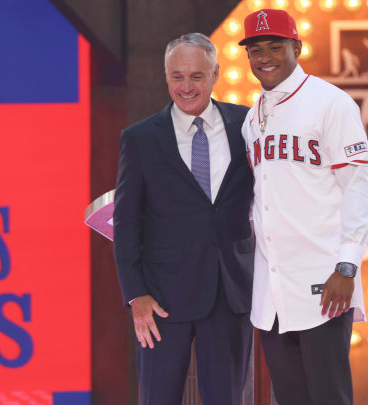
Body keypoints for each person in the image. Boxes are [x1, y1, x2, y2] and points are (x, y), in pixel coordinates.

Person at [239, 9, 368, 405]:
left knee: (329, 396)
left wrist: (347, 267)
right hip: (273, 289)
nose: (264, 56)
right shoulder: (252, 119)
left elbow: (358, 190)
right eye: (255, 49)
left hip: (324, 284)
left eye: (275, 46)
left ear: (296, 46)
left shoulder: (330, 103)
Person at [113, 32, 254, 405]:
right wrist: (135, 296)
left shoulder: (249, 126)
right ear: (165, 76)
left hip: (230, 293)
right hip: (161, 300)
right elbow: (126, 223)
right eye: (177, 76)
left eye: (197, 76)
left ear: (216, 74)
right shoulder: (140, 138)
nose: (187, 86)